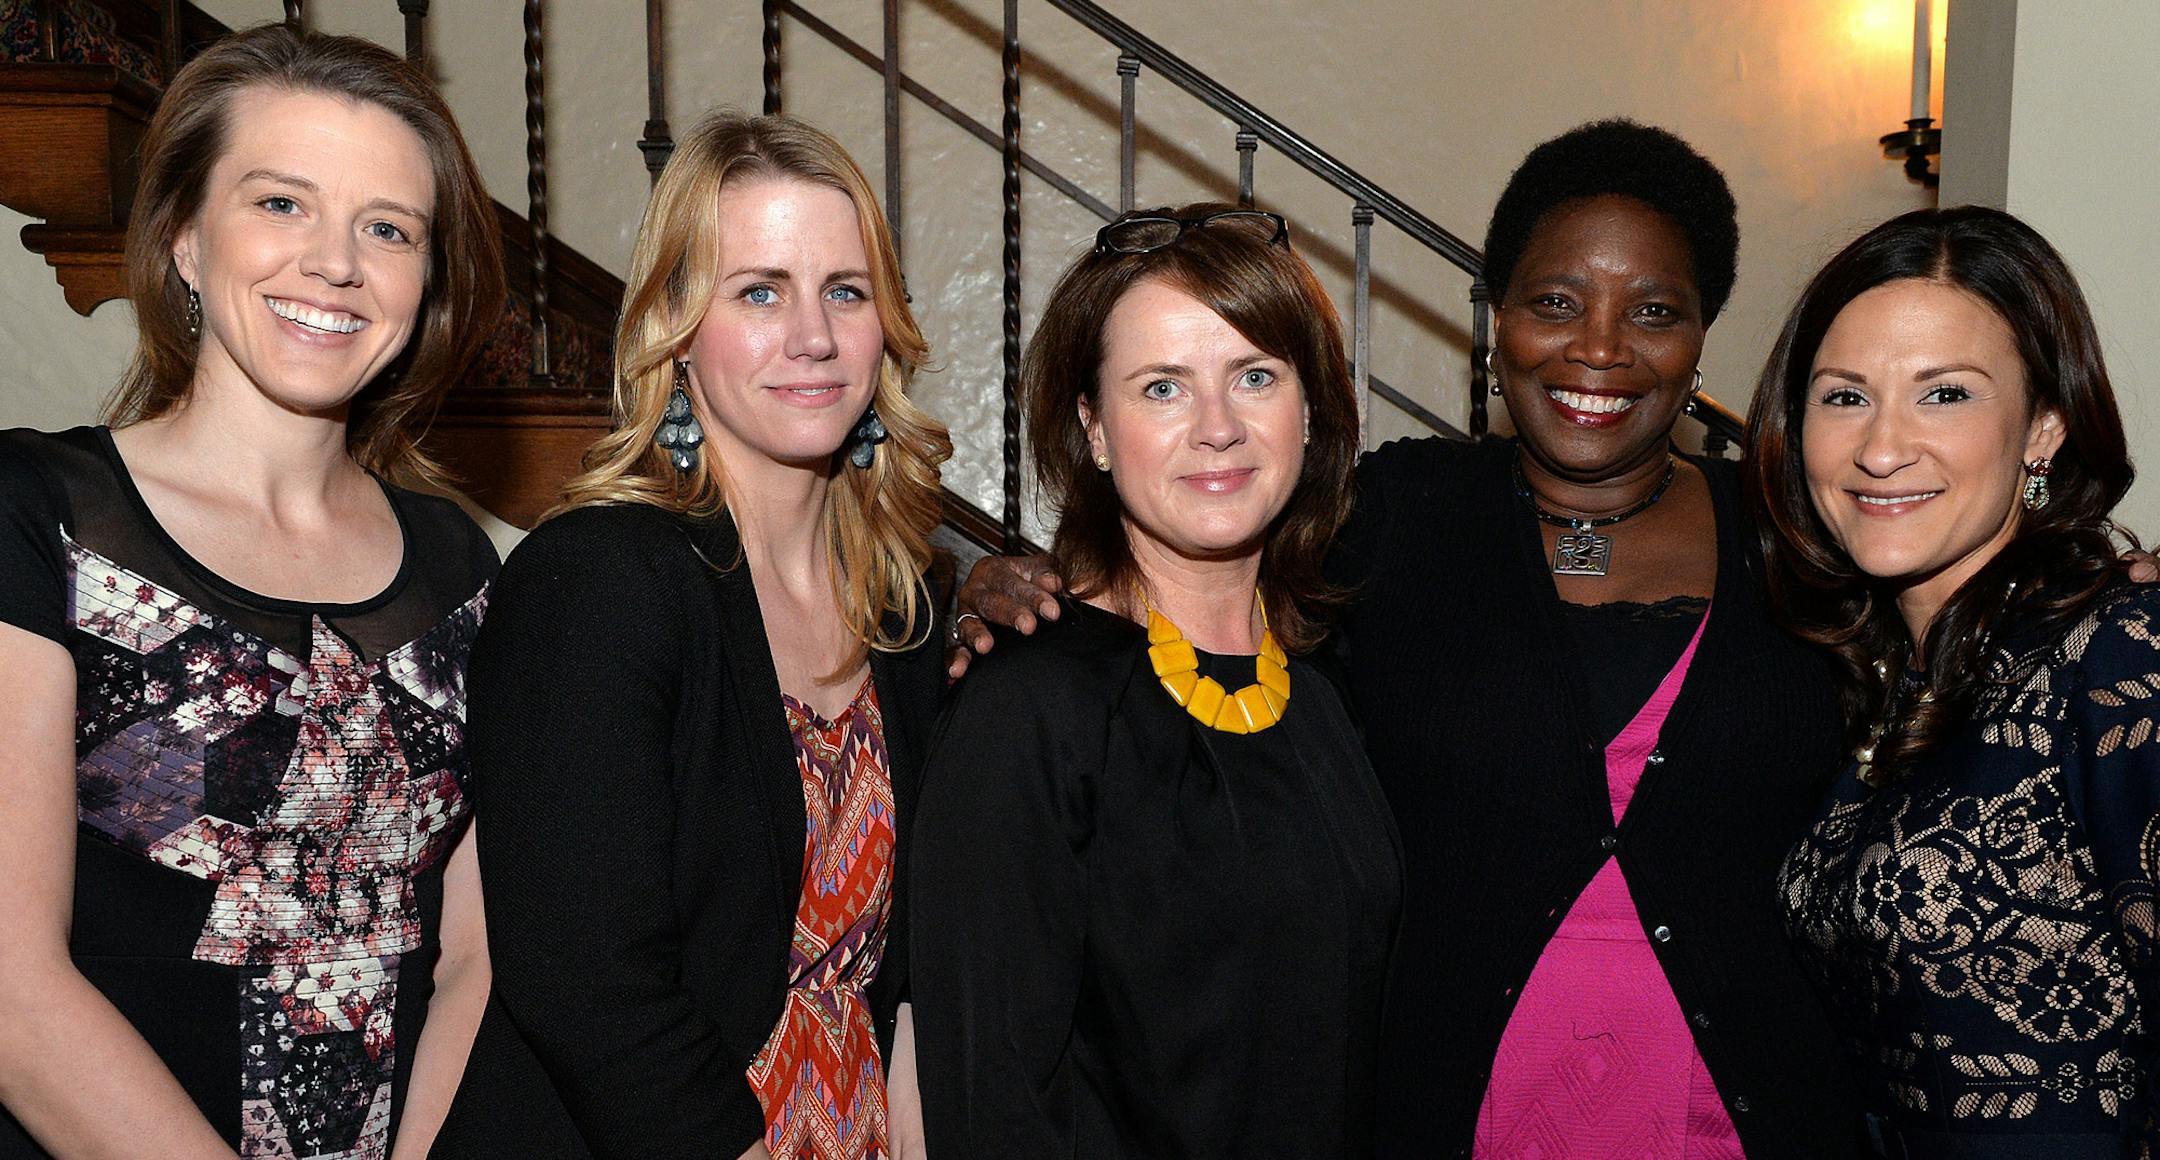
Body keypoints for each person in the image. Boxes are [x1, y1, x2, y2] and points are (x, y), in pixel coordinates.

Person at [954, 121, 1867, 1157]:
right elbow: (1194, 554)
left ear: (1703, 337)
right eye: (1555, 302)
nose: (1601, 348)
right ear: (1497, 319)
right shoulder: (1389, 520)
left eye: (1655, 311)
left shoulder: (1799, 539)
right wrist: (1013, 587)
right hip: (1450, 1120)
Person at [0, 25, 504, 1160]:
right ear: (184, 236)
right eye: (281, 203)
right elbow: (12, 992)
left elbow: (478, 955)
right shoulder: (33, 514)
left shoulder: (460, 566)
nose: (336, 263)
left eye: (388, 228)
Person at [432, 111, 948, 1160]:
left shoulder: (904, 600)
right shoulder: (598, 580)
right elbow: (587, 986)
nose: (813, 336)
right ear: (674, 326)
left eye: (846, 291)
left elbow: (915, 974)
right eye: (759, 291)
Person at [910, 203, 1401, 1157]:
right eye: (1163, 388)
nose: (1218, 428)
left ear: (1309, 410)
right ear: (1094, 428)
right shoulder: (1029, 703)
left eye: (1254, 376)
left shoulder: (1325, 687)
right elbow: (992, 1098)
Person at [1759, 206, 2156, 1157]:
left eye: (1944, 394)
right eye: (1844, 397)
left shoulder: (2118, 655)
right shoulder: (1884, 679)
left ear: (2044, 428)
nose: (1881, 448)